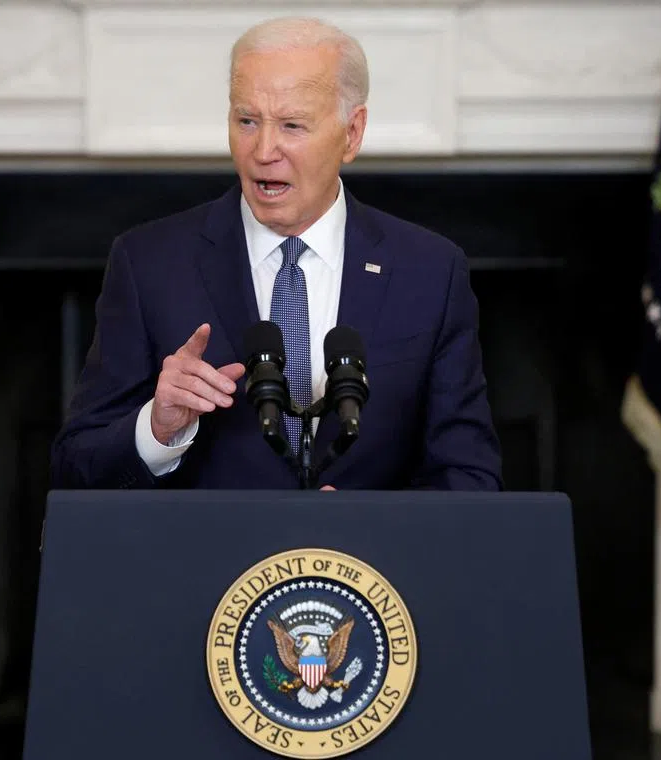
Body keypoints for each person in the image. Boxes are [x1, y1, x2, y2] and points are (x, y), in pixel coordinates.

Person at [50, 16, 502, 491]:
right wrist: (157, 429)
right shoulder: (149, 264)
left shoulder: (430, 272)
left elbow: (469, 477)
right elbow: (75, 470)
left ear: (352, 132)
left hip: (367, 566)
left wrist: (375, 528)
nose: (264, 150)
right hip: (208, 563)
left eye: (292, 125)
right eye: (247, 121)